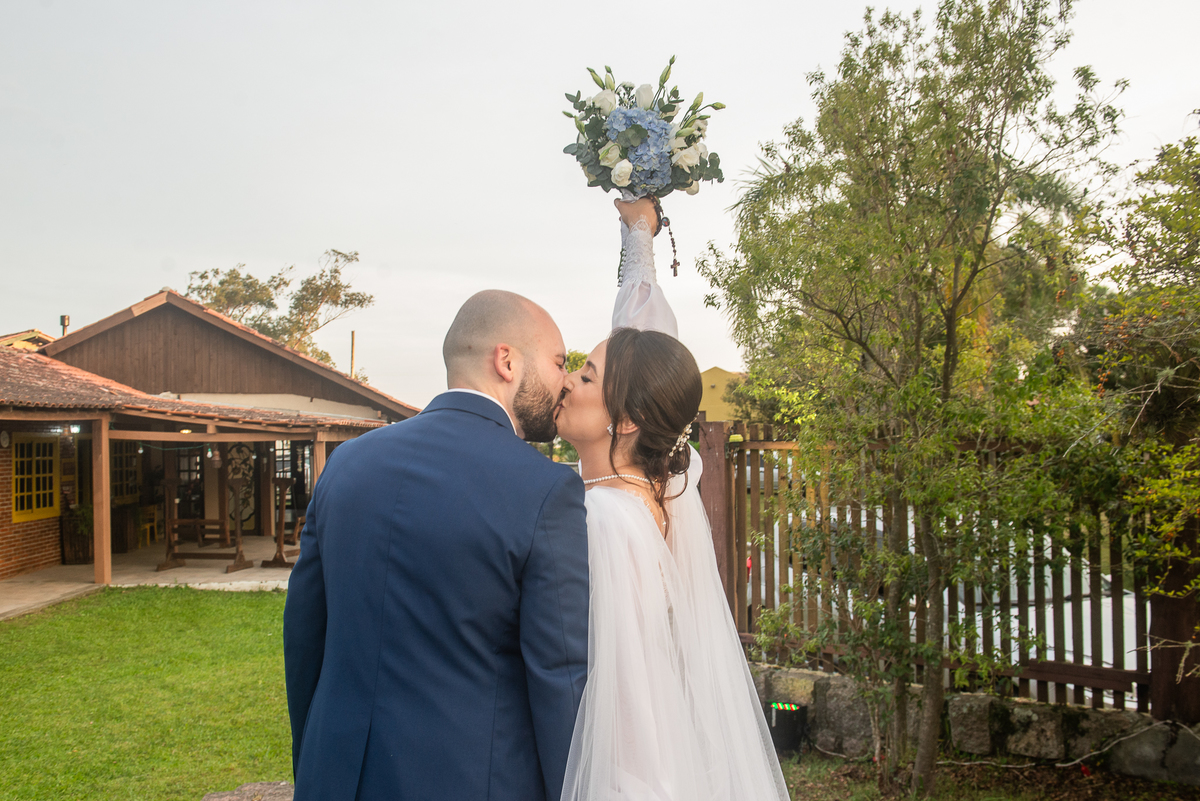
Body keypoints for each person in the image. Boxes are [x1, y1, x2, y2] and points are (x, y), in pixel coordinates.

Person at [284, 290, 590, 801]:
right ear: (507, 360)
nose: (564, 380)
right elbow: (559, 677)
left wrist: (314, 762)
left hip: (333, 776)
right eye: (559, 362)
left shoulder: (346, 464)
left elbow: (304, 635)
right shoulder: (544, 489)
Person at [553, 198, 790, 800]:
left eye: (584, 376)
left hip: (624, 770)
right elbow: (653, 349)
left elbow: (622, 680)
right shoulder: (648, 495)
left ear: (627, 420)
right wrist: (639, 239)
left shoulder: (603, 517)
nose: (565, 384)